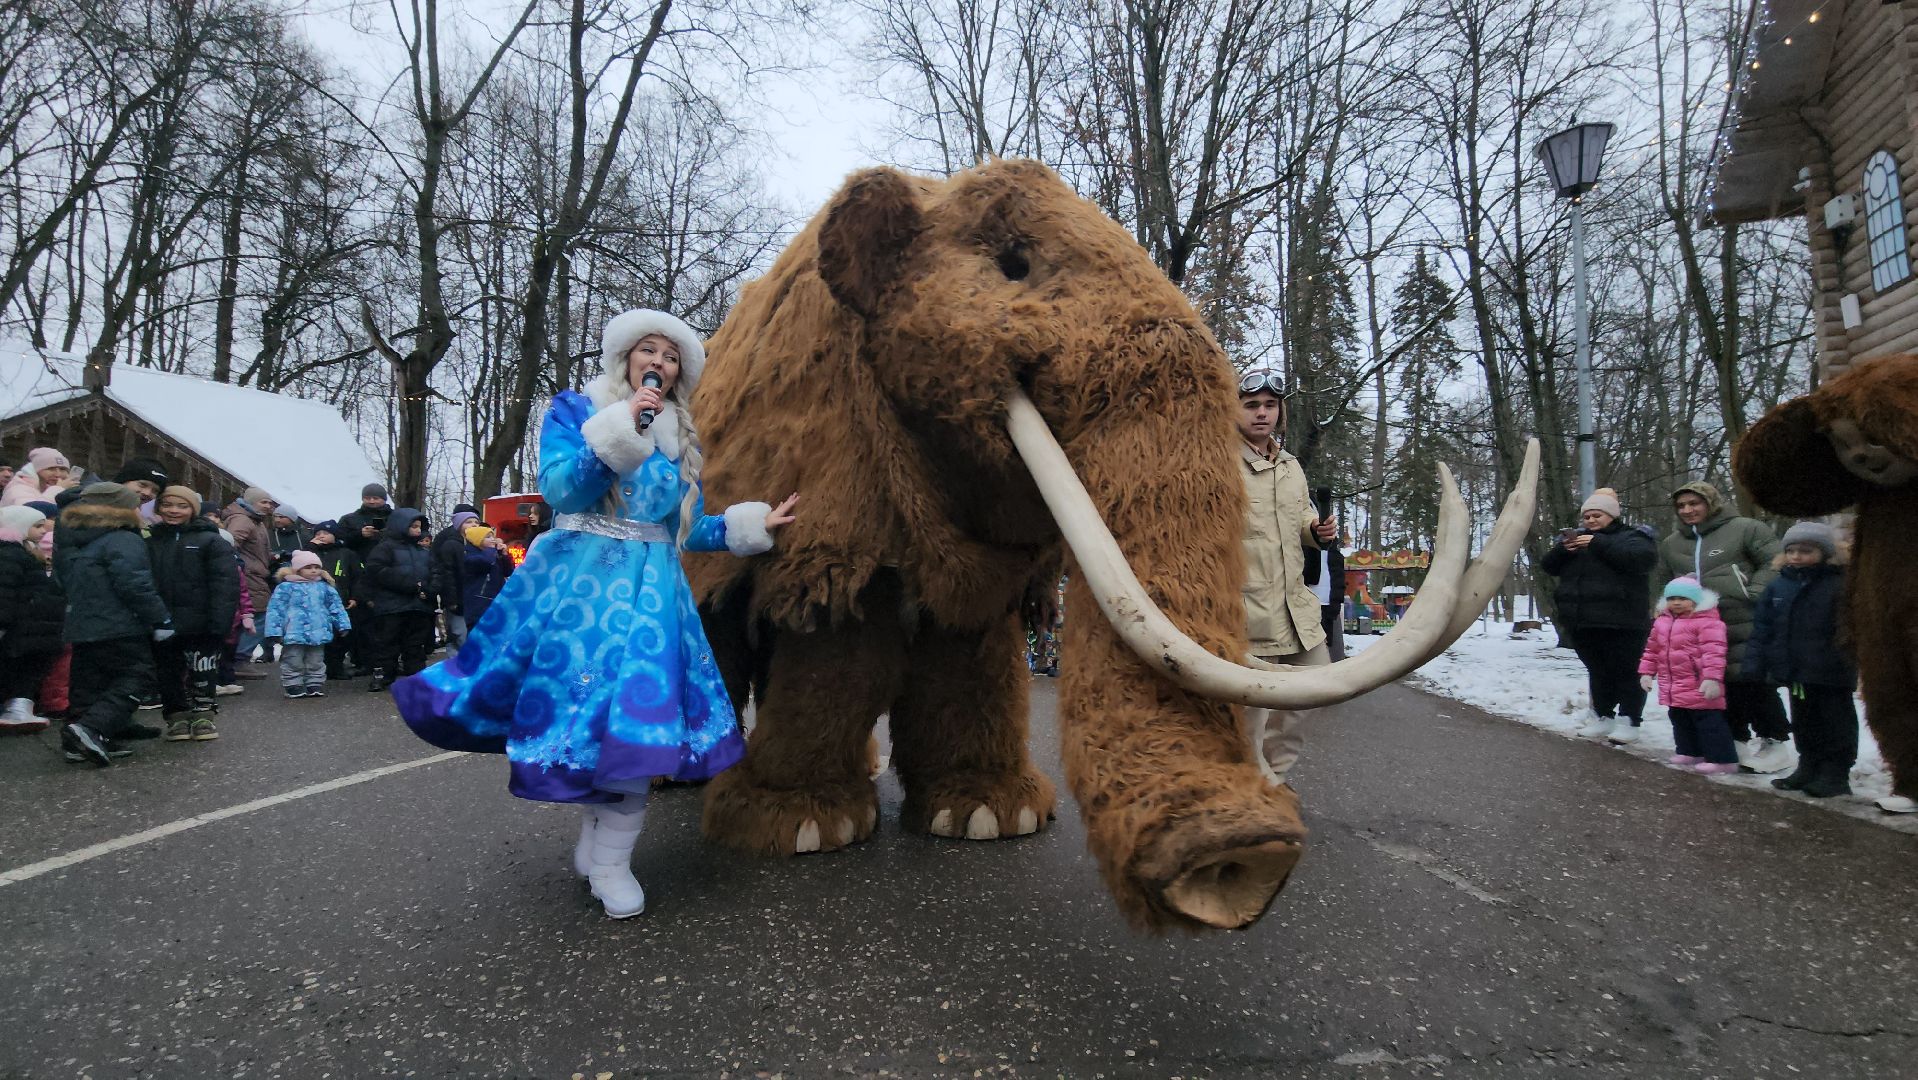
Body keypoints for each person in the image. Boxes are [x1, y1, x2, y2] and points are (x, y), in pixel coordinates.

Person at [394, 308, 797, 920]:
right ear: (626, 357)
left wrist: (752, 524)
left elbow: (684, 529)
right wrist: (622, 430)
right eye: (649, 350)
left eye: (671, 356)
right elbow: (561, 491)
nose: (659, 363)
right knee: (590, 727)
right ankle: (601, 849)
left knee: (634, 728)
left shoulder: (682, 438)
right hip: (580, 597)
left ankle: (609, 859)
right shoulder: (575, 410)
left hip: (654, 602)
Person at [1235, 369, 1336, 784]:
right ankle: (1245, 788)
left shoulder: (1291, 466)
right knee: (1249, 716)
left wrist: (1316, 530)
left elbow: (1301, 518)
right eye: (1251, 405)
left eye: (1270, 405)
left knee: (1311, 693)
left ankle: (1272, 780)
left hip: (1297, 612)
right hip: (1247, 616)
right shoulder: (1216, 464)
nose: (1262, 413)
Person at [1657, 481, 1791, 773]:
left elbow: (1774, 561)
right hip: (1697, 628)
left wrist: (1754, 592)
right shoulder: (1671, 543)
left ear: (1711, 503)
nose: (1688, 510)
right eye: (1681, 506)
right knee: (1718, 684)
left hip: (1743, 617)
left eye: (1694, 503)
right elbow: (1663, 580)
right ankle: (1735, 739)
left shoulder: (1746, 528)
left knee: (1753, 681)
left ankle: (1775, 741)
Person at [53, 483, 173, 766]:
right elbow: (135, 583)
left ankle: (81, 736)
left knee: (90, 681)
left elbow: (62, 579)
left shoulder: (74, 536)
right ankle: (92, 727)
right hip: (118, 622)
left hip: (82, 620)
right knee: (138, 675)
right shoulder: (122, 539)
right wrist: (159, 618)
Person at [1748, 522, 1859, 799]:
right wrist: (1757, 663)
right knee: (1805, 722)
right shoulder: (1779, 585)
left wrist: (1843, 658)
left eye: (1806, 551)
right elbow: (1763, 627)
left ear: (1825, 552)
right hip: (1795, 671)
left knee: (1835, 722)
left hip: (1830, 672)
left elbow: (1851, 628)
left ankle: (1835, 773)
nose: (1797, 556)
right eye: (1791, 550)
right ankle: (1808, 765)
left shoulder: (1839, 584)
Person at [1541, 487, 1659, 744]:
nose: (1591, 520)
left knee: (1628, 672)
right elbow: (1548, 566)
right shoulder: (1576, 541)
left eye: (1597, 515)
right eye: (1587, 516)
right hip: (1583, 621)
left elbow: (1642, 559)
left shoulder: (1634, 536)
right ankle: (1602, 716)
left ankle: (1630, 721)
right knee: (1598, 671)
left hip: (1624, 622)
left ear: (1612, 516)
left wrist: (1597, 543)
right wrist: (1563, 549)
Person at [146, 487, 238, 742]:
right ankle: (176, 716)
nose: (173, 511)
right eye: (167, 505)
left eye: (182, 506)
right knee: (168, 671)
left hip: (202, 621)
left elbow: (225, 584)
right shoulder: (151, 541)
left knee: (203, 669)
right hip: (163, 620)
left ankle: (203, 714)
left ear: (192, 510)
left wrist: (221, 621)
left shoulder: (211, 541)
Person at [1639, 576, 1736, 775]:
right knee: (1680, 719)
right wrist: (1646, 672)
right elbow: (1652, 649)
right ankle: (1690, 751)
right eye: (1672, 598)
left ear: (1695, 599)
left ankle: (1722, 759)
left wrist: (1712, 678)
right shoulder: (1662, 622)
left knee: (1709, 722)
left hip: (1698, 683)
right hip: (1673, 684)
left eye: (1683, 598)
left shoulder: (1708, 622)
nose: (1676, 603)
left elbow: (1714, 652)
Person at [0, 504, 64, 732]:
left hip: (31, 624)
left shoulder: (23, 551)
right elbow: (5, 592)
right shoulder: (10, 554)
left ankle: (18, 709)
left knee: (25, 668)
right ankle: (17, 710)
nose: (43, 530)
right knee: (23, 669)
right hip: (23, 624)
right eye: (37, 526)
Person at [361, 508, 436, 690]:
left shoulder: (424, 552)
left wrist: (429, 589)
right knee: (387, 642)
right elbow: (376, 570)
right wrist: (409, 584)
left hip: (418, 606)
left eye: (419, 527)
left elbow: (435, 573)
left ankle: (416, 675)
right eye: (413, 526)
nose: (417, 530)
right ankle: (383, 674)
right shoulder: (385, 548)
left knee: (415, 644)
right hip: (391, 606)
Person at [264, 550, 353, 699]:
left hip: (318, 631)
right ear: (297, 569)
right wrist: (274, 631)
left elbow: (336, 607)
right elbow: (275, 610)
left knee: (316, 660)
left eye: (316, 567)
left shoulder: (325, 587)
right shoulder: (286, 587)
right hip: (293, 631)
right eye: (308, 567)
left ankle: (315, 683)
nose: (313, 570)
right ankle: (293, 684)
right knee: (293, 660)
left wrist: (343, 624)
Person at [222, 487, 276, 667]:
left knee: (256, 616)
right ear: (251, 502)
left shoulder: (255, 520)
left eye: (270, 503)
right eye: (263, 502)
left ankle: (236, 659)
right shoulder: (243, 520)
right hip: (248, 576)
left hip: (254, 575)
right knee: (261, 616)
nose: (268, 506)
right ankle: (238, 659)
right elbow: (230, 544)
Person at [306, 520, 362, 679]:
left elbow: (358, 577)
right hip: (314, 601)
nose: (321, 536)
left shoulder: (347, 554)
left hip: (340, 600)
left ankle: (336, 666)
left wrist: (355, 596)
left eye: (325, 533)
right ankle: (315, 668)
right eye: (318, 533)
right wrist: (310, 547)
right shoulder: (309, 553)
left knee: (340, 636)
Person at [431, 504, 481, 651]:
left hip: (474, 598)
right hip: (457, 598)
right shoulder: (451, 545)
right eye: (468, 522)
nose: (473, 525)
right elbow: (448, 574)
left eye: (476, 522)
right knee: (459, 634)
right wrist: (451, 600)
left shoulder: (479, 545)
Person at [455, 521, 511, 627]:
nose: (493, 539)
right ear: (478, 540)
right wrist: (492, 549)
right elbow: (485, 561)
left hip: (494, 604)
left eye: (493, 536)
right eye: (488, 537)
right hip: (477, 606)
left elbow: (508, 571)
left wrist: (504, 555)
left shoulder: (492, 554)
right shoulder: (470, 556)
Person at [3, 448, 74, 506]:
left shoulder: (51, 489)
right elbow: (32, 513)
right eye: (51, 469)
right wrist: (57, 489)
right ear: (35, 471)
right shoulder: (18, 489)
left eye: (62, 469)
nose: (58, 474)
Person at [339, 483, 392, 557]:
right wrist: (360, 534)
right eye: (367, 498)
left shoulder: (396, 517)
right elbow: (340, 542)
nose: (371, 501)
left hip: (391, 559)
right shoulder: (348, 519)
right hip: (359, 560)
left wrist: (386, 533)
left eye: (376, 498)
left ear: (384, 499)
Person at [266, 505, 309, 575]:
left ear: (291, 518)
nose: (277, 520)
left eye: (281, 517)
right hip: (272, 574)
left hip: (299, 574)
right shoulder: (268, 534)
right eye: (275, 516)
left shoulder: (303, 535)